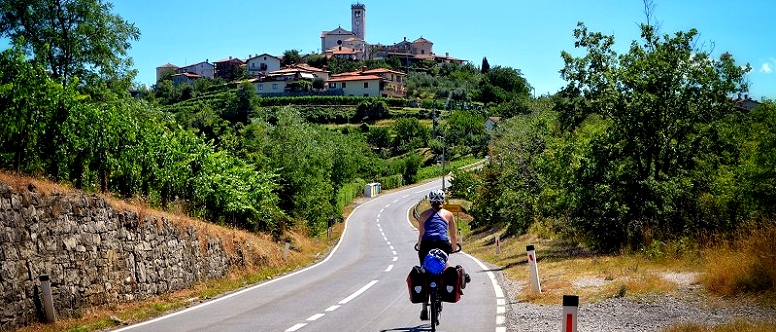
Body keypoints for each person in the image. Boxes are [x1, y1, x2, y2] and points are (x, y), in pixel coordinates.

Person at [415, 188, 456, 321]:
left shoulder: (423, 215)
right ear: (443, 201)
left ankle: (423, 308)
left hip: (426, 245)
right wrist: (453, 248)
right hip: (443, 243)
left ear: (430, 201)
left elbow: (421, 234)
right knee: (446, 266)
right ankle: (444, 288)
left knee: (424, 272)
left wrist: (420, 246)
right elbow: (453, 235)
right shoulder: (449, 214)